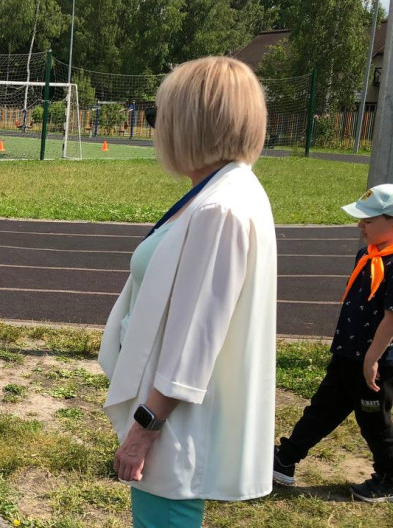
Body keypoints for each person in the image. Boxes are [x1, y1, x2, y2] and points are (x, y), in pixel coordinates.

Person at [97, 56, 276, 527]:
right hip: (169, 414)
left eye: (160, 116)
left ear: (191, 123)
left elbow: (196, 338)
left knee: (164, 517)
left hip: (173, 422)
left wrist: (145, 427)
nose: (157, 130)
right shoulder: (219, 193)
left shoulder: (222, 208)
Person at [273, 184, 393, 502]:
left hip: (376, 363)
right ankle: (286, 458)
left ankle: (389, 477)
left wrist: (372, 360)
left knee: (374, 424)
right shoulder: (366, 256)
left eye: (368, 220)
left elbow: (391, 319)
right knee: (321, 411)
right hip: (347, 356)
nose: (360, 225)